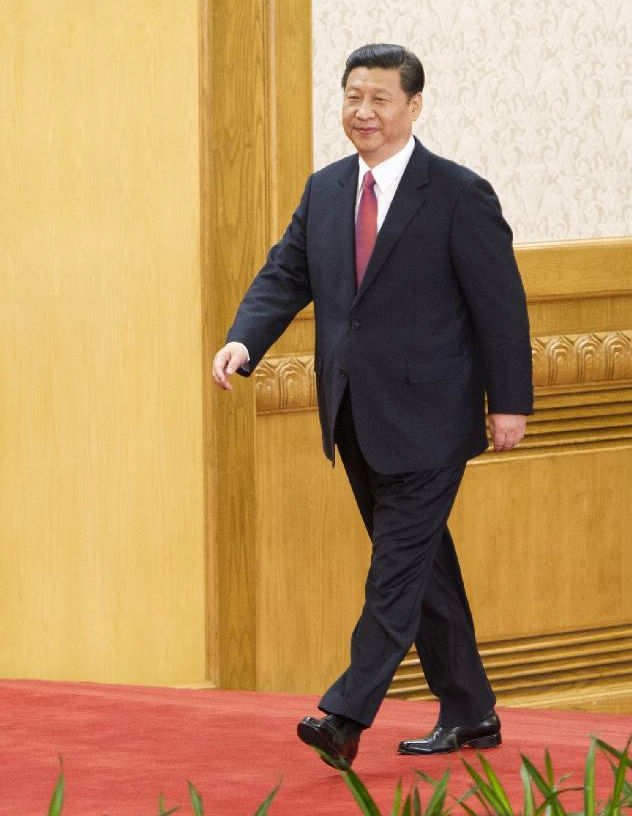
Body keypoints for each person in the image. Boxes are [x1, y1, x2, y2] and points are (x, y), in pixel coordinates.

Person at [212, 43, 533, 768]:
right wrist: (243, 341)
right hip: (352, 414)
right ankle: (472, 710)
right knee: (423, 568)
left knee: (394, 569)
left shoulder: (458, 193)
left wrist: (509, 402)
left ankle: (345, 713)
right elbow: (285, 273)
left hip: (433, 418)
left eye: (380, 99)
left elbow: (500, 307)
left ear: (414, 106)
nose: (364, 112)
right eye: (354, 96)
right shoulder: (327, 191)